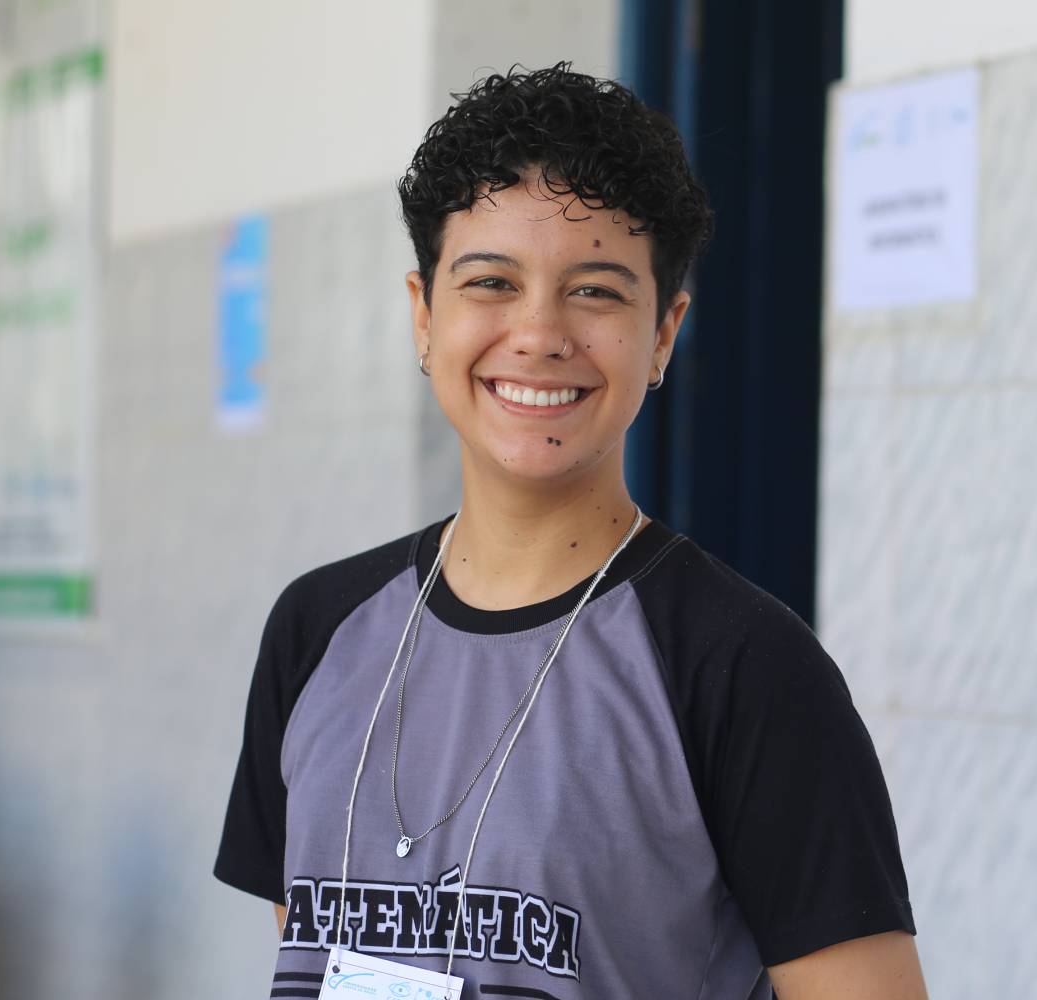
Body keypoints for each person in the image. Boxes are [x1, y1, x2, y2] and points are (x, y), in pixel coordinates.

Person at [215, 64, 927, 999]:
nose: (539, 333)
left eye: (595, 292)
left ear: (664, 332)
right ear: (424, 315)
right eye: (491, 283)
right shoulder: (317, 630)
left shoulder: (744, 668)